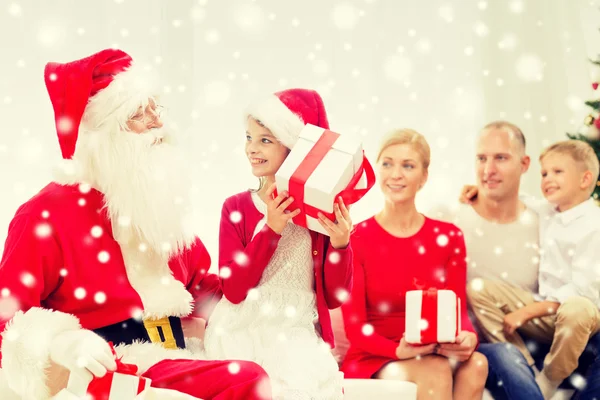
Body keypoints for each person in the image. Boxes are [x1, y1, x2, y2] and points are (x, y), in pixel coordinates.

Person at [0, 49, 271, 400]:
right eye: (137, 114)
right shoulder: (45, 214)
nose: (157, 123)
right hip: (116, 367)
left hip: (177, 354)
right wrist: (62, 342)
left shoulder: (153, 202)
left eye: (155, 108)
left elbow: (203, 287)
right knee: (246, 379)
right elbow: (8, 318)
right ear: (102, 133)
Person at [203, 89, 353, 399]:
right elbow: (233, 289)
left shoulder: (321, 214)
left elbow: (335, 296)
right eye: (249, 138)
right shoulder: (236, 207)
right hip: (243, 329)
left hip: (298, 334)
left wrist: (340, 246)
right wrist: (270, 228)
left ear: (294, 150)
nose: (252, 149)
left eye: (265, 140)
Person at [341, 128, 488, 400]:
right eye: (387, 164)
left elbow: (458, 312)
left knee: (478, 364)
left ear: (424, 177)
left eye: (407, 166)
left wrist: (469, 338)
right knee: (434, 368)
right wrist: (399, 351)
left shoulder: (449, 236)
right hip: (376, 356)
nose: (395, 174)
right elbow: (356, 329)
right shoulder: (357, 238)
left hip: (432, 349)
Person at [467, 139, 600, 399]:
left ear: (585, 180)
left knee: (577, 308)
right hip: (547, 313)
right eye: (544, 173)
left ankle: (550, 377)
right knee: (478, 289)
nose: (548, 179)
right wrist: (481, 191)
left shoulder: (594, 224)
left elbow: (584, 291)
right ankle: (524, 365)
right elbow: (519, 199)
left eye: (557, 172)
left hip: (582, 315)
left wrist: (529, 311)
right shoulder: (549, 210)